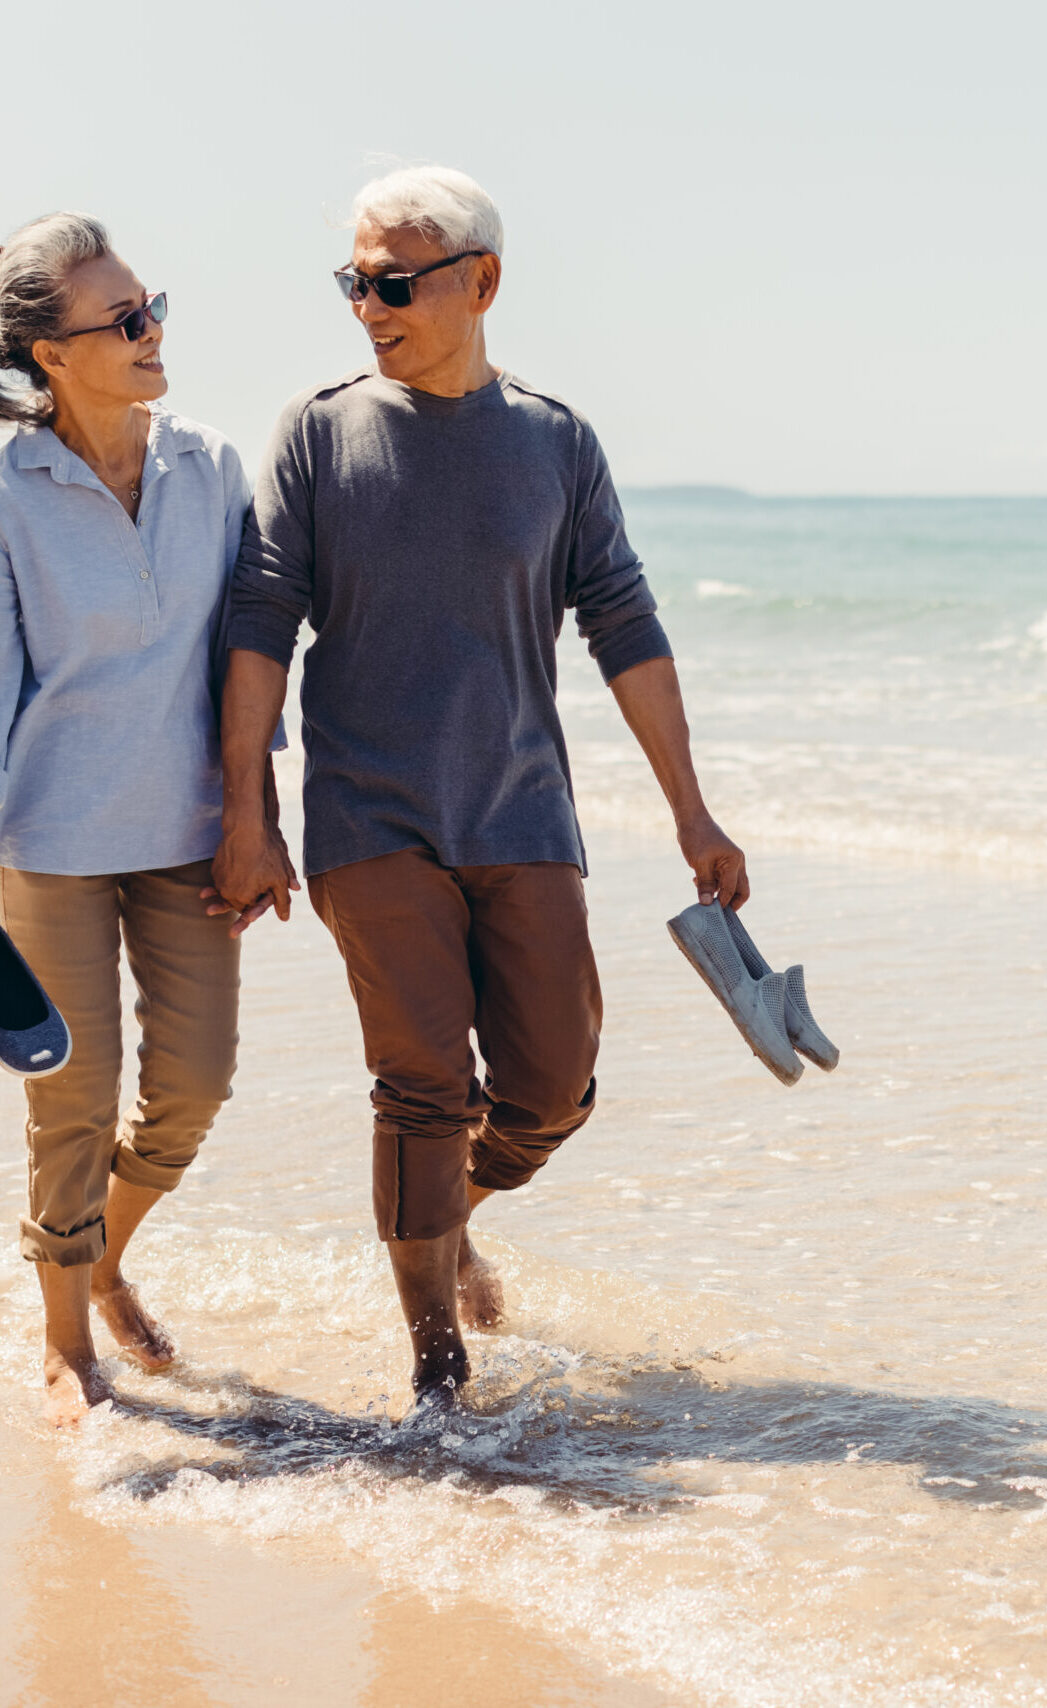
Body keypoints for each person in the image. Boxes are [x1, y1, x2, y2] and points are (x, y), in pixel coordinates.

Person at [213, 166, 748, 1403]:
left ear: (482, 282)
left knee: (554, 1084)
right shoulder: (316, 430)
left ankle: (446, 1215)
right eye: (354, 281)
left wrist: (692, 809)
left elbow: (624, 621)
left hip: (520, 810)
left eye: (393, 283)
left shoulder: (555, 441)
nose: (367, 305)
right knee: (420, 1084)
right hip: (367, 813)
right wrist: (248, 812)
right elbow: (261, 622)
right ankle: (436, 1374)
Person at [0, 214, 284, 1425]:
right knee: (75, 1098)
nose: (151, 331)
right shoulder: (8, 489)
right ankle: (67, 1336)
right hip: (49, 840)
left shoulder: (210, 465)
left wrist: (253, 814)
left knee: (196, 1086)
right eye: (122, 321)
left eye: (150, 305)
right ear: (51, 356)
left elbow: (249, 660)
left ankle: (100, 1255)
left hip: (188, 833)